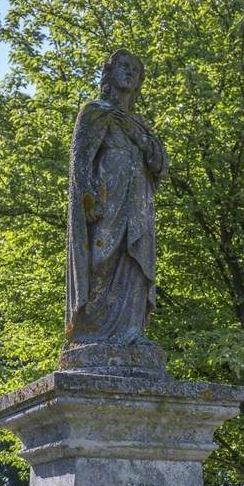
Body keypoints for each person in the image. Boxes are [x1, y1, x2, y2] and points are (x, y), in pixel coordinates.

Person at [66, 50, 167, 345]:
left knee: (135, 263)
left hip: (138, 205)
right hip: (106, 202)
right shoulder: (95, 112)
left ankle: (131, 332)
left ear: (139, 83)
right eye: (124, 67)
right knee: (101, 260)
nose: (130, 73)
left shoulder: (139, 125)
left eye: (136, 71)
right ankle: (91, 331)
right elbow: (80, 162)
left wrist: (140, 139)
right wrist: (87, 198)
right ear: (109, 74)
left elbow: (159, 163)